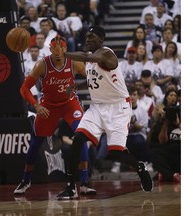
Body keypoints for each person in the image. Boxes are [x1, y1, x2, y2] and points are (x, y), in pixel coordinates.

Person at [56, 25, 153, 200]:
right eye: (86, 36)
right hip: (98, 107)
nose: (87, 39)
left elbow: (86, 56)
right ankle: (71, 186)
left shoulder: (106, 54)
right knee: (78, 140)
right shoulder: (91, 62)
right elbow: (96, 80)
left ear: (101, 40)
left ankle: (139, 167)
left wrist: (63, 54)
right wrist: (79, 85)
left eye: (91, 36)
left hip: (118, 108)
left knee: (114, 152)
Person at [14, 35, 96, 195]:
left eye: (61, 49)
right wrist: (36, 105)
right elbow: (24, 89)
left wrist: (79, 85)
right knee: (35, 144)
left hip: (69, 104)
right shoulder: (42, 65)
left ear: (66, 49)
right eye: (55, 50)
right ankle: (26, 180)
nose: (58, 53)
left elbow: (93, 78)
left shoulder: (75, 63)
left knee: (81, 136)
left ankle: (85, 182)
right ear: (50, 49)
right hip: (48, 106)